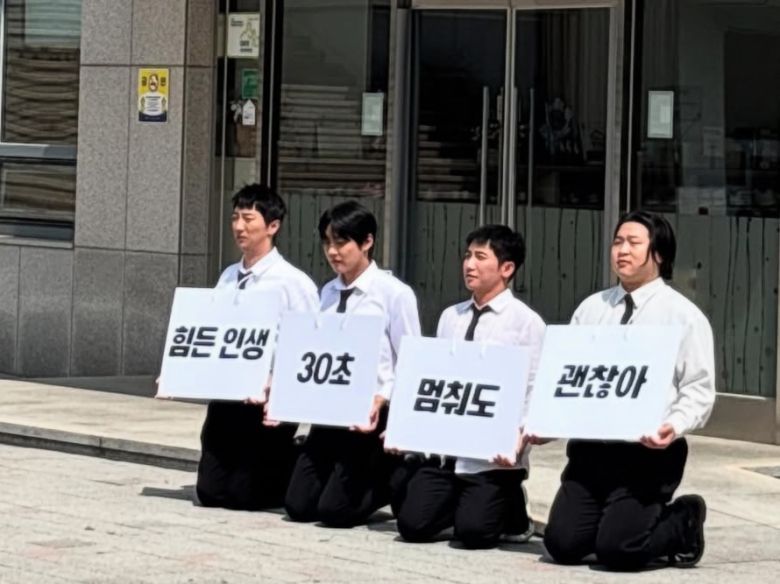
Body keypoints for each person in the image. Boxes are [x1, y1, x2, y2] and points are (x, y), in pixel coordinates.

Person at [538, 210, 715, 570]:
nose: (622, 250)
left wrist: (673, 426)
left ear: (659, 254)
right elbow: (567, 376)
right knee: (562, 545)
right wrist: (545, 422)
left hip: (647, 455)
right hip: (591, 452)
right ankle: (609, 520)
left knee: (620, 551)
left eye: (634, 243)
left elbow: (698, 389)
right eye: (618, 242)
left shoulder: (683, 316)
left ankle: (682, 520)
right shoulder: (592, 308)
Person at [392, 224, 545, 549]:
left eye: (480, 257)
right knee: (412, 525)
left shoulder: (526, 323)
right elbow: (438, 381)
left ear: (507, 268)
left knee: (475, 534)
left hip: (492, 458)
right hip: (448, 451)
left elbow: (533, 389)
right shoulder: (451, 316)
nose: (469, 265)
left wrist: (519, 438)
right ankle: (460, 505)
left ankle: (513, 510)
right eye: (467, 256)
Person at [284, 201, 421, 527]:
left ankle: (391, 475)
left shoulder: (394, 294)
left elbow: (411, 360)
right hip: (331, 411)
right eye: (327, 242)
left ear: (367, 242)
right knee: (298, 506)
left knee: (334, 512)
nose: (333, 252)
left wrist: (384, 398)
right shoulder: (327, 293)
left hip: (371, 414)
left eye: (341, 242)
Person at [195, 183, 319, 511]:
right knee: (209, 493)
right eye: (235, 218)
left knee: (245, 497)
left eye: (248, 219)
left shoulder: (293, 283)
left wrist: (282, 389)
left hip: (267, 400)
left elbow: (308, 343)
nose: (239, 227)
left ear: (272, 226)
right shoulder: (228, 277)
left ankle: (295, 455)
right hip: (228, 395)